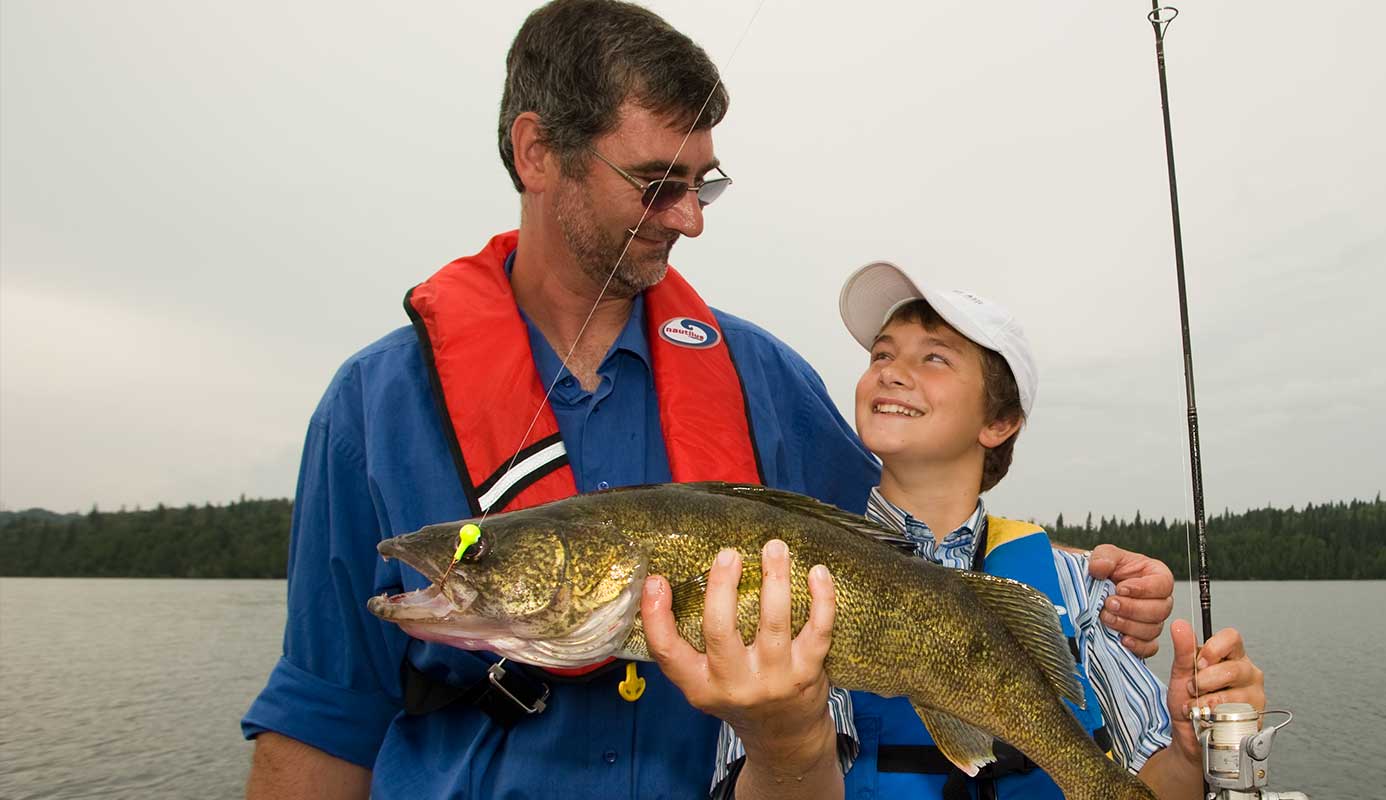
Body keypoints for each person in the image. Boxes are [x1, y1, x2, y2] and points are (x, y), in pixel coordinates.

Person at [240, 2, 1175, 798]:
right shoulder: (372, 406)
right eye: (658, 184)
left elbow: (909, 551)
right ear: (537, 152)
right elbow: (323, 716)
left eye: (703, 185)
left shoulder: (769, 386)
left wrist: (1093, 594)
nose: (690, 216)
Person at [687, 262, 1268, 799]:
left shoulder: (1077, 589)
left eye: (933, 358)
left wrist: (1192, 755)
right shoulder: (786, 576)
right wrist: (784, 738)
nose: (891, 371)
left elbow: (1151, 785)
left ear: (999, 421)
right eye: (881, 354)